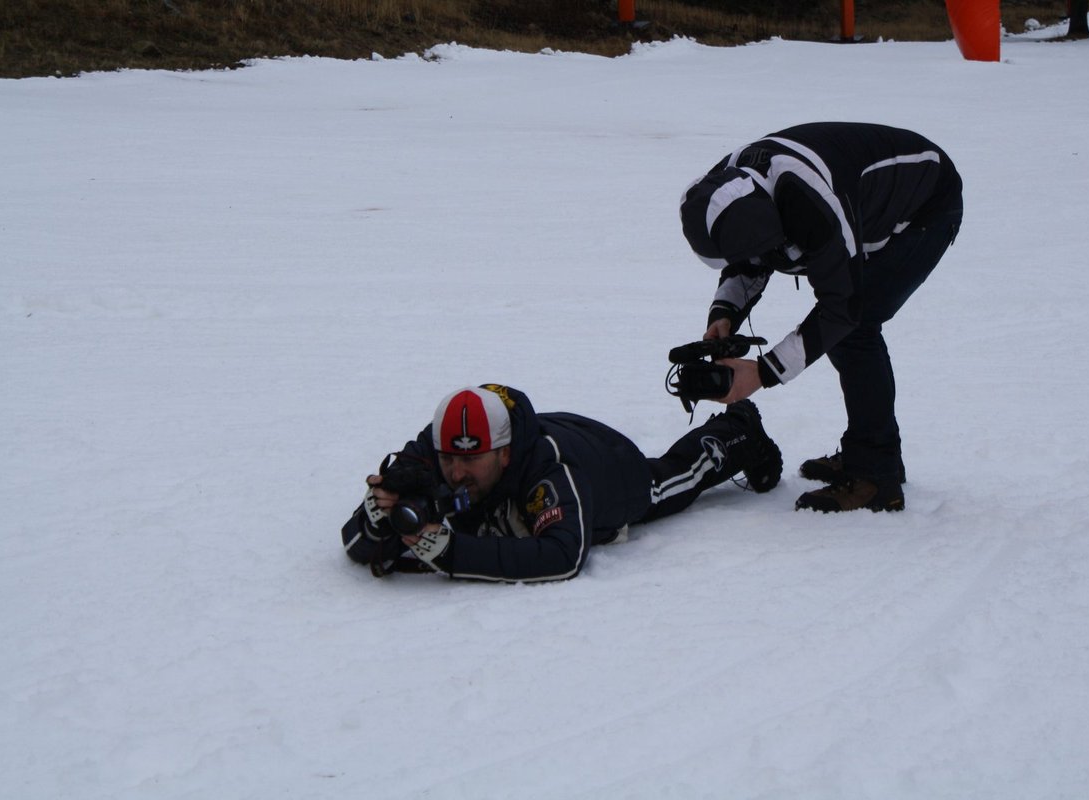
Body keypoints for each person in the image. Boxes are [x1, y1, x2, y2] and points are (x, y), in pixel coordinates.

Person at [679, 122, 963, 513]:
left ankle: (877, 477)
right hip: (857, 197)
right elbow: (748, 259)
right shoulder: (719, 190)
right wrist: (724, 314)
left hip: (924, 205)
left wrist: (762, 374)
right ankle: (865, 453)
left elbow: (841, 307)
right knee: (847, 330)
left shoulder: (811, 199)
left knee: (856, 329)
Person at [341, 384, 782, 582]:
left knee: (676, 480)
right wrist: (377, 518)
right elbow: (358, 543)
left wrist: (453, 553)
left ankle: (739, 430)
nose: (456, 472)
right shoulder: (441, 443)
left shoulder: (550, 469)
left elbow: (564, 556)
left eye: (471, 460)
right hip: (542, 440)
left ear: (504, 452)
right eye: (449, 459)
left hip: (609, 468)